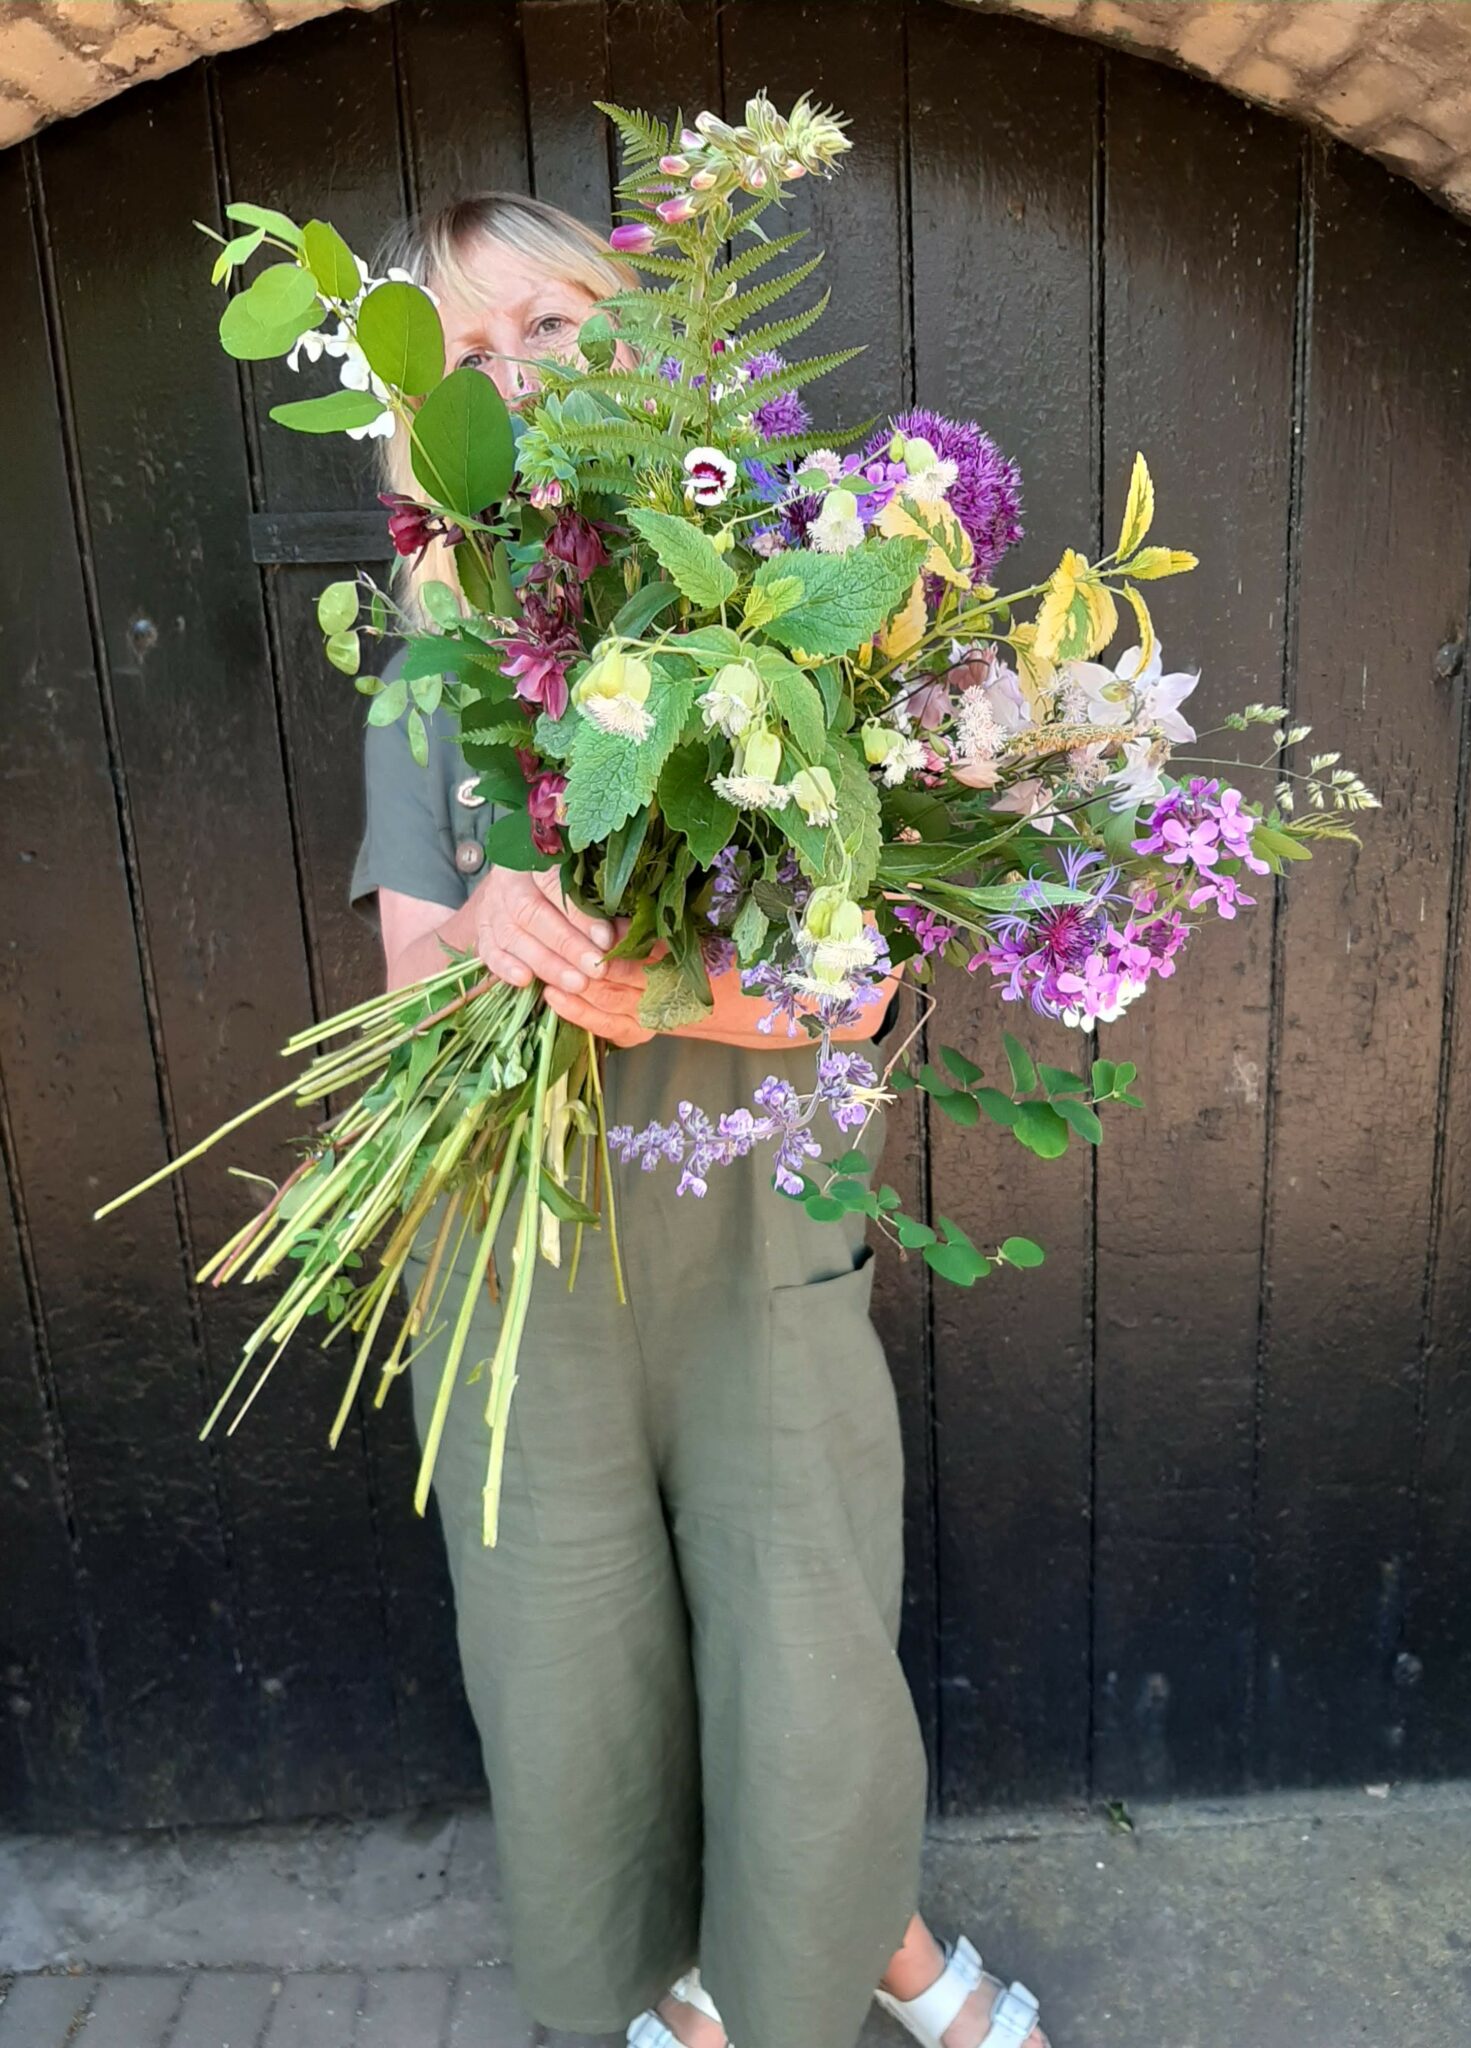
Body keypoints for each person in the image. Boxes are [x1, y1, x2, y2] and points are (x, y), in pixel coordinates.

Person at [349, 191, 1050, 2048]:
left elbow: (861, 987)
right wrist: (492, 927)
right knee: (573, 1678)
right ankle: (689, 1991)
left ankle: (861, 1945)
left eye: (549, 327)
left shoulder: (804, 594)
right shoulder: (436, 650)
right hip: (522, 1248)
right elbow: (412, 970)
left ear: (639, 337)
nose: (515, 376)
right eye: (465, 356)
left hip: (757, 1235)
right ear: (424, 419)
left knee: (806, 1652)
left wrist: (668, 991)